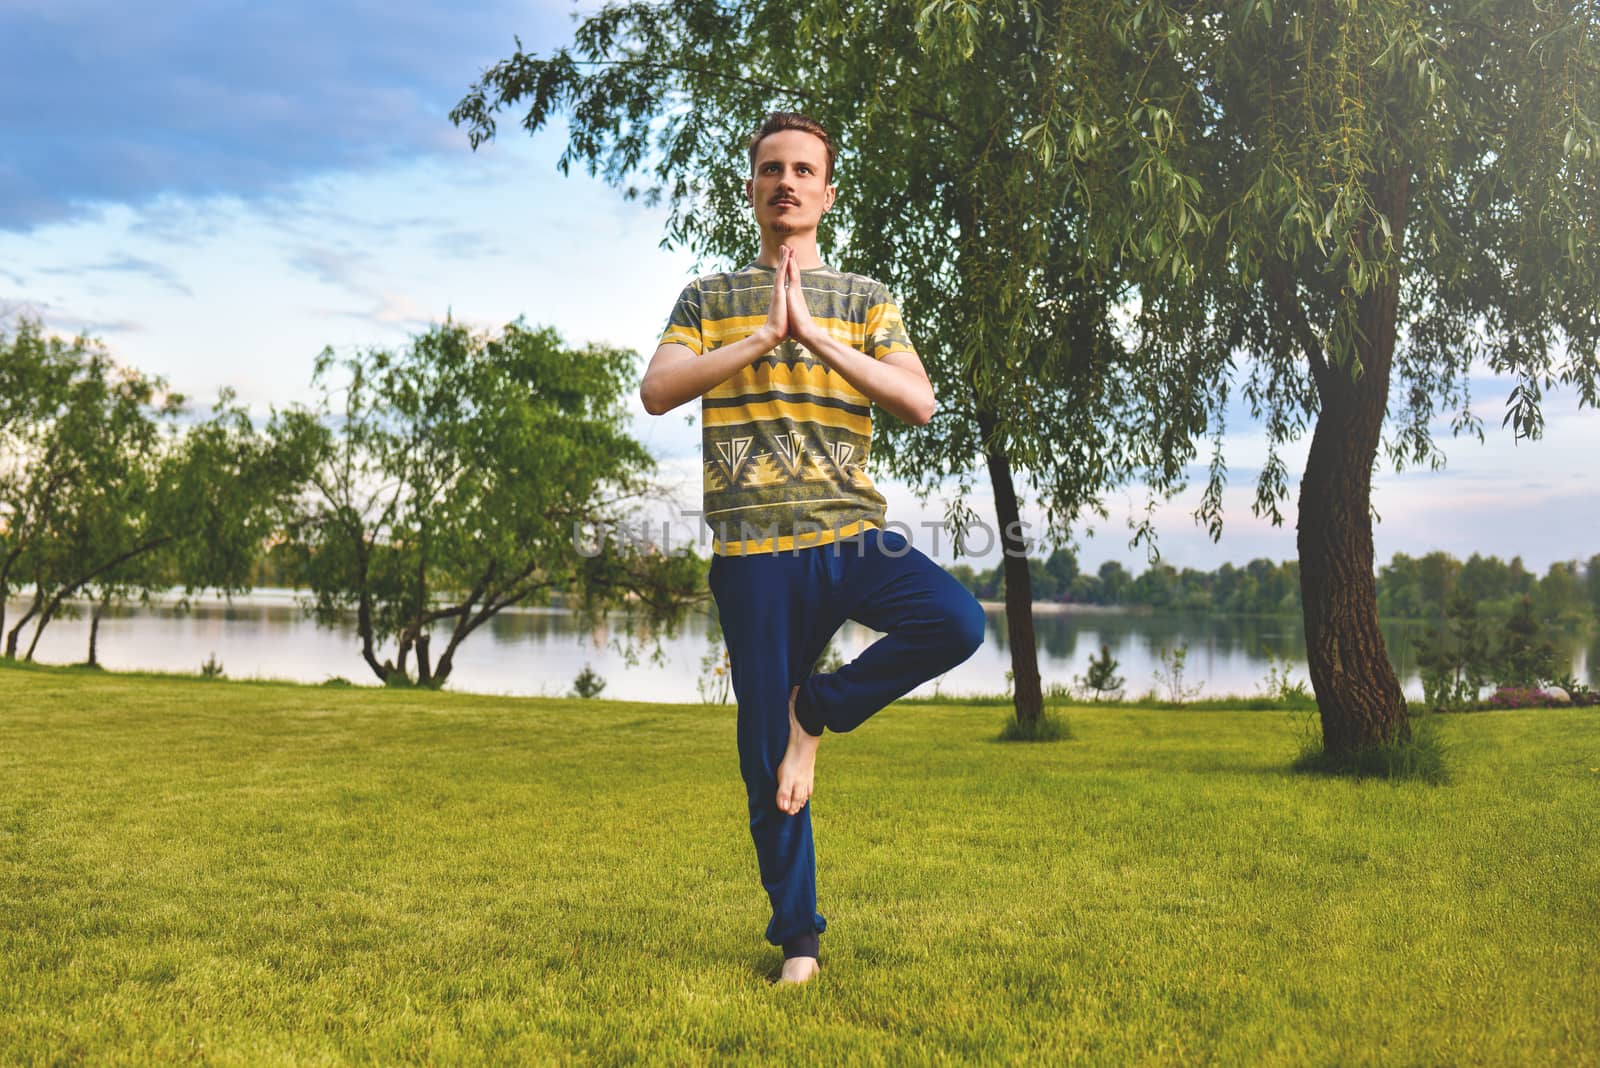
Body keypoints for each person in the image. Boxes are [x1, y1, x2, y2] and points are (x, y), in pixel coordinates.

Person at [640, 112, 986, 985]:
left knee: (955, 622)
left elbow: (919, 402)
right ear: (752, 188)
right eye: (771, 170)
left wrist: (813, 337)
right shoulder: (708, 299)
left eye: (803, 170)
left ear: (827, 192)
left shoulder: (866, 300)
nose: (786, 182)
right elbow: (656, 391)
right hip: (754, 554)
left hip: (850, 536)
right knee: (764, 760)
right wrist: (761, 336)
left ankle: (818, 710)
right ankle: (799, 946)